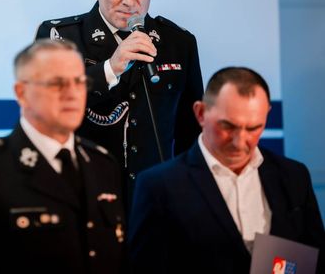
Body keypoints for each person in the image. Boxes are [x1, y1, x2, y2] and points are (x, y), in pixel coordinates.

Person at [35, 0, 203, 202]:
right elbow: (44, 110)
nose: (129, 0)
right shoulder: (60, 37)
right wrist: (110, 68)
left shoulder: (179, 42)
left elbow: (191, 131)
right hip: (82, 197)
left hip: (156, 199)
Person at [0, 39, 126, 274]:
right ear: (22, 93)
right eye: (57, 83)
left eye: (79, 82)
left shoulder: (102, 164)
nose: (72, 94)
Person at [128, 67, 325, 273]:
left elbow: (315, 262)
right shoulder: (159, 186)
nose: (239, 142)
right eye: (228, 127)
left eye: (253, 128)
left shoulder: (294, 176)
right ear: (201, 113)